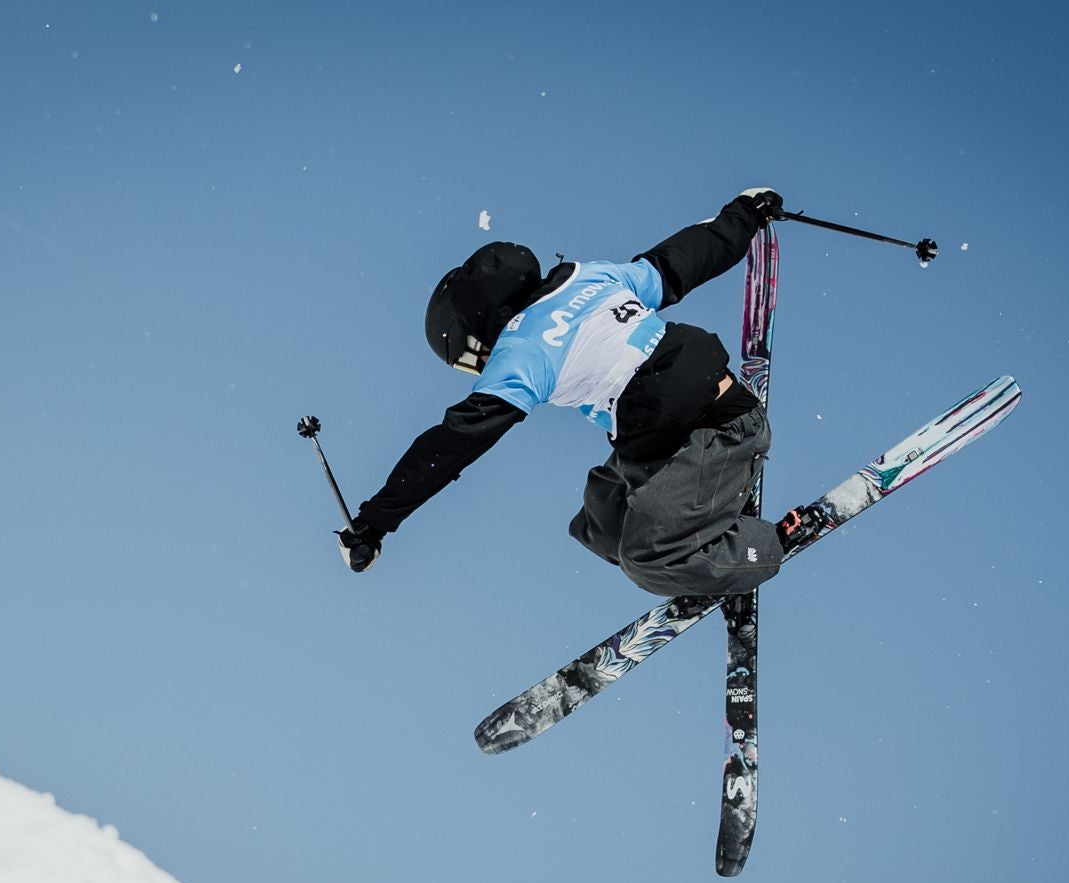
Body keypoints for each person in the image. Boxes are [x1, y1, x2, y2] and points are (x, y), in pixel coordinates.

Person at [336, 188, 829, 596]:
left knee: (642, 557)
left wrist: (375, 522)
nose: (479, 368)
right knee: (600, 520)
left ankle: (759, 547)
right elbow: (686, 257)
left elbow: (452, 443)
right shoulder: (593, 277)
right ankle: (697, 546)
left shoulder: (520, 350)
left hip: (719, 431)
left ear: (479, 325)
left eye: (469, 357)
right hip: (661, 441)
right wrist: (744, 212)